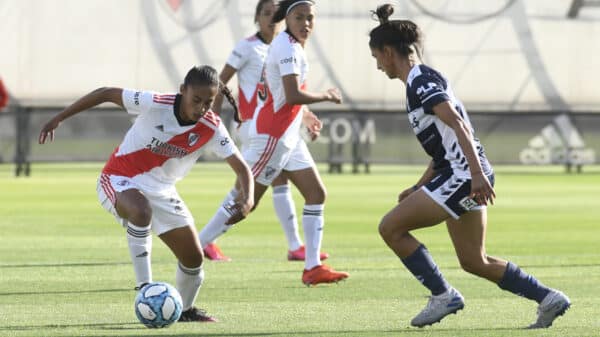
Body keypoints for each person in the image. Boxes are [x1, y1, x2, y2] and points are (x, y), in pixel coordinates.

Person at [368, 4, 570, 329]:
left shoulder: (420, 82)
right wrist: (419, 187)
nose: (377, 65)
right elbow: (443, 149)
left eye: (376, 56)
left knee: (390, 228)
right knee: (474, 261)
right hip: (462, 175)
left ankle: (442, 295)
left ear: (389, 52)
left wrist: (475, 175)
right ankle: (548, 298)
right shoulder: (421, 80)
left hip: (463, 177)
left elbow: (458, 125)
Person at [38, 65, 254, 322]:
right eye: (196, 100)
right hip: (119, 178)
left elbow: (242, 169)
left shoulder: (212, 127)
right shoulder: (155, 103)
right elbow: (106, 93)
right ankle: (145, 290)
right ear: (182, 91)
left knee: (194, 259)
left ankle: (184, 310)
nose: (202, 108)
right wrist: (60, 117)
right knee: (141, 211)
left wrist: (248, 200)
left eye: (208, 102)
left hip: (162, 190)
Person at [200, 0, 349, 286]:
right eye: (299, 17)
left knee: (316, 194)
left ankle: (312, 266)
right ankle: (197, 243)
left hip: (288, 136)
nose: (306, 23)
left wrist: (306, 117)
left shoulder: (288, 45)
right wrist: (327, 96)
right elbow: (291, 95)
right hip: (272, 136)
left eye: (310, 18)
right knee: (246, 201)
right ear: (287, 18)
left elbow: (285, 94)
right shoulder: (285, 47)